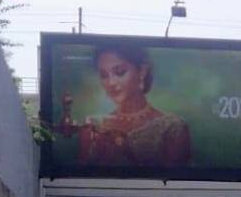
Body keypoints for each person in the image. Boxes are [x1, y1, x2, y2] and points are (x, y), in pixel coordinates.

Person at [62, 45, 192, 168]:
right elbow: (82, 179)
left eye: (120, 72)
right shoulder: (96, 126)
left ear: (142, 71)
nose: (111, 83)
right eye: (104, 75)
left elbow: (174, 183)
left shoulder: (172, 127)